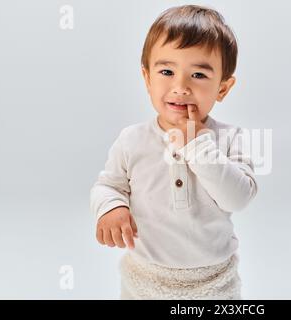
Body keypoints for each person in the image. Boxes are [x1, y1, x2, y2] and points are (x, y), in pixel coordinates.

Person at [90, 5, 258, 299]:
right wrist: (112, 207)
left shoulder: (231, 139)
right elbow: (108, 185)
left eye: (198, 75)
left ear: (223, 88)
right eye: (166, 71)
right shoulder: (132, 140)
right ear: (147, 77)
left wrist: (196, 143)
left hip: (214, 280)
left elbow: (238, 197)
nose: (180, 87)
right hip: (145, 277)